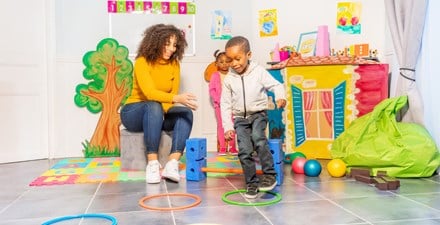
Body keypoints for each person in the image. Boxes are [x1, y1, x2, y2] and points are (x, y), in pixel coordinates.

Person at [120, 24, 198, 184]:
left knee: (185, 113)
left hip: (156, 114)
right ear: (155, 42)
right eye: (167, 44)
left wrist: (175, 106)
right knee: (153, 104)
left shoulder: (175, 64)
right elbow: (149, 93)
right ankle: (153, 164)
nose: (171, 49)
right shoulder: (142, 61)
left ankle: (172, 163)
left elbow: (169, 98)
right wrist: (177, 99)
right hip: (133, 112)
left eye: (175, 45)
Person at [220, 36, 286, 199]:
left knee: (258, 138)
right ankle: (251, 183)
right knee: (244, 151)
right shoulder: (229, 79)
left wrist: (280, 96)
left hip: (258, 114)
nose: (234, 63)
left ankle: (270, 175)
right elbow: (225, 104)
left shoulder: (258, 72)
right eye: (230, 60)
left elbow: (276, 84)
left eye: (238, 58)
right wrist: (228, 127)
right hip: (240, 119)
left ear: (248, 55)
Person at [208, 50, 238, 156]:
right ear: (216, 63)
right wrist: (218, 100)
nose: (224, 64)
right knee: (221, 126)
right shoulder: (215, 75)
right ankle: (223, 147)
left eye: (227, 61)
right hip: (219, 106)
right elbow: (212, 90)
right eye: (221, 62)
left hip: (233, 105)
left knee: (232, 125)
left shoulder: (233, 75)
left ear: (230, 62)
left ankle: (233, 147)